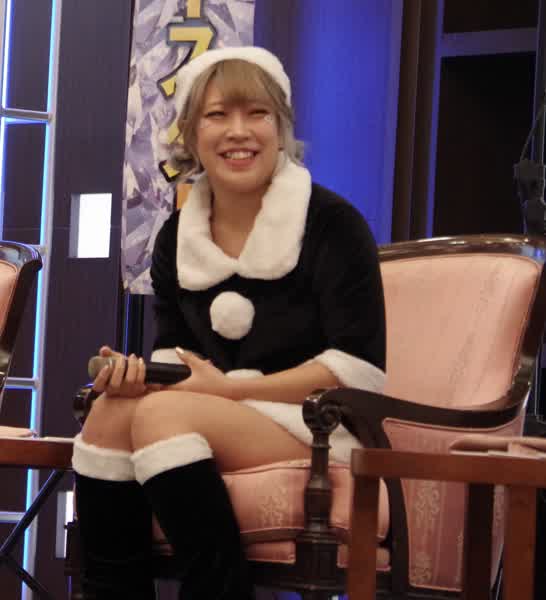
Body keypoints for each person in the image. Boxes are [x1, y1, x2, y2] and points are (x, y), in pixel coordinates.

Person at [72, 46, 386, 600]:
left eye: (257, 113)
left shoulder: (334, 223)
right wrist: (138, 377)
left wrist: (230, 392)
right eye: (217, 115)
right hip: (210, 408)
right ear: (192, 135)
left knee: (162, 415)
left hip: (319, 424)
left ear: (281, 129)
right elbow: (178, 353)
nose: (238, 132)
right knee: (109, 413)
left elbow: (357, 368)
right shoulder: (176, 236)